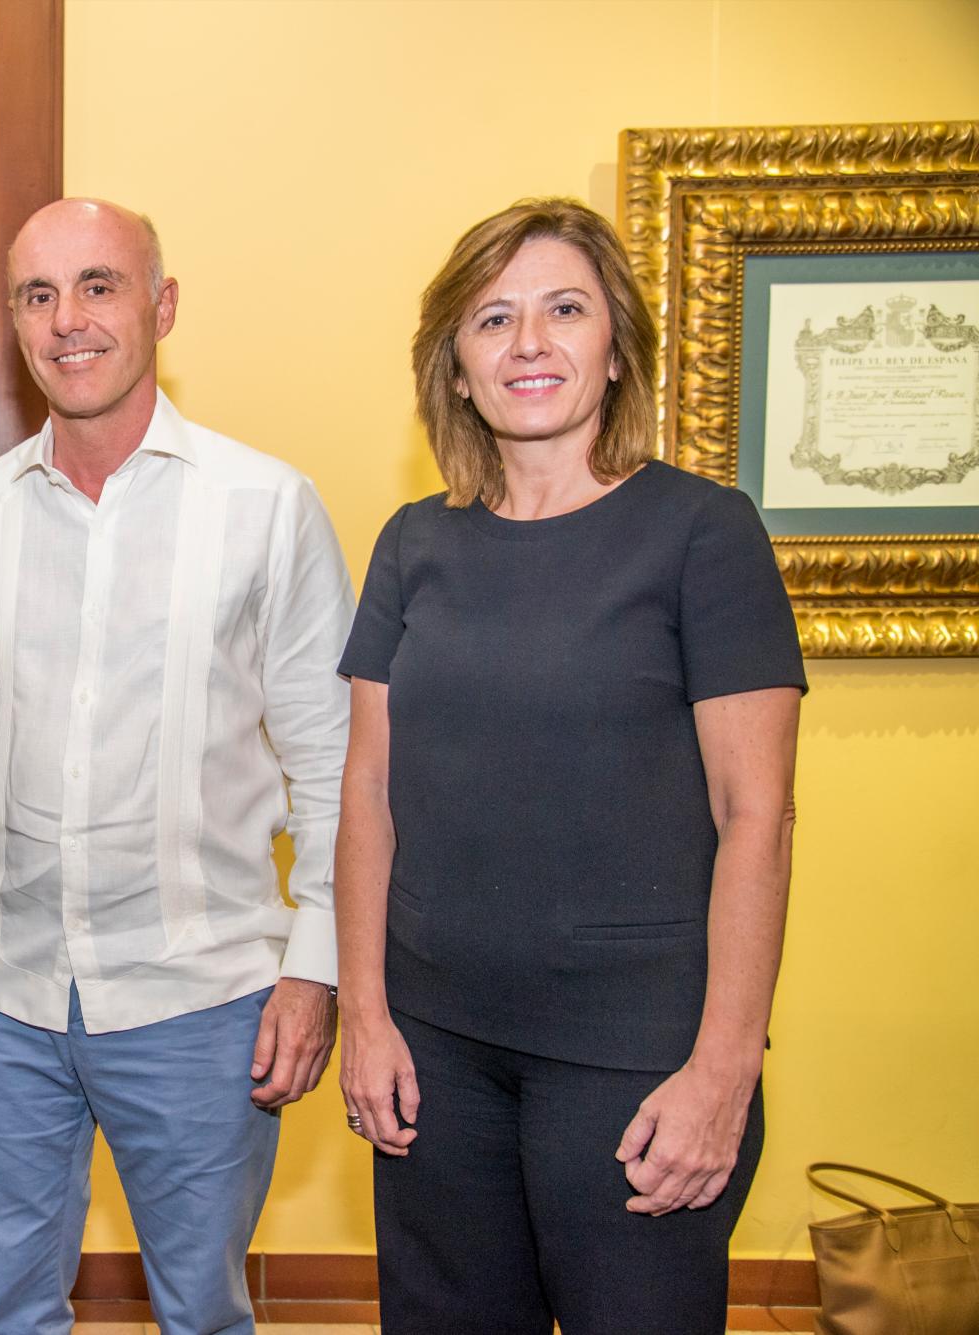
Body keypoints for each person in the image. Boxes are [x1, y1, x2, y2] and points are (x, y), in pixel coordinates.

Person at [334, 198, 805, 1335]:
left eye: (562, 310)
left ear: (614, 346)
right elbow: (364, 796)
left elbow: (758, 818)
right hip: (434, 1058)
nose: (528, 343)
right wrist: (365, 1015)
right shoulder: (412, 542)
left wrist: (720, 1074)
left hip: (637, 1066)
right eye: (492, 318)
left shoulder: (703, 532)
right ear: (452, 365)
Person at [0, 198, 355, 1335]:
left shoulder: (266, 509)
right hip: (0, 993)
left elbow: (334, 765)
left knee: (200, 1311)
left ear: (159, 307)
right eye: (37, 295)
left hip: (201, 994)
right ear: (13, 321)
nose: (68, 321)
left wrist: (314, 966)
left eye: (97, 286)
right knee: (6, 1307)